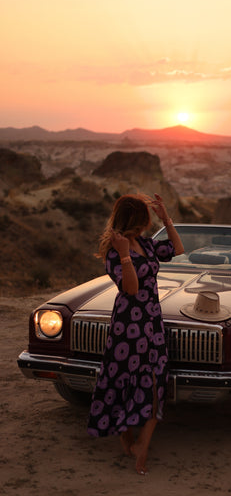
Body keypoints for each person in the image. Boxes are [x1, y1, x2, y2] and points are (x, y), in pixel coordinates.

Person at [87, 193, 184, 475]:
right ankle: (127, 437)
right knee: (122, 381)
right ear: (135, 219)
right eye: (147, 217)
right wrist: (126, 255)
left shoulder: (145, 242)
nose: (149, 221)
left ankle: (142, 443)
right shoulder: (114, 250)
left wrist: (167, 219)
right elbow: (129, 288)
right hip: (127, 326)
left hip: (152, 322)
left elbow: (177, 249)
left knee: (155, 382)